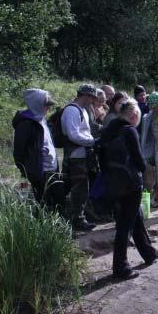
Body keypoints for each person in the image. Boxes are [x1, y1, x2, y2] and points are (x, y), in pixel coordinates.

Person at [98, 100, 158, 279]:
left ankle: (148, 253)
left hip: (113, 184)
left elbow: (101, 158)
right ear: (134, 116)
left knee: (135, 218)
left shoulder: (108, 130)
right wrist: (143, 170)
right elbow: (139, 161)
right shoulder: (129, 131)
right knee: (124, 226)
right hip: (131, 184)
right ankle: (121, 267)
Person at [12, 88, 65, 211]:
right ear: (37, 104)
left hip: (52, 170)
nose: (49, 108)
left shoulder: (43, 120)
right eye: (46, 105)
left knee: (59, 202)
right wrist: (27, 172)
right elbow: (19, 152)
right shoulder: (25, 124)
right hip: (38, 173)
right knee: (42, 204)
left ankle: (59, 229)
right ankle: (45, 229)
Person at [61, 84, 98, 231]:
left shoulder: (83, 110)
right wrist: (93, 141)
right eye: (92, 97)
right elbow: (73, 134)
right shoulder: (71, 110)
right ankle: (77, 220)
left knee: (82, 188)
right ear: (86, 95)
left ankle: (78, 217)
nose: (93, 100)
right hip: (75, 156)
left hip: (82, 155)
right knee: (79, 189)